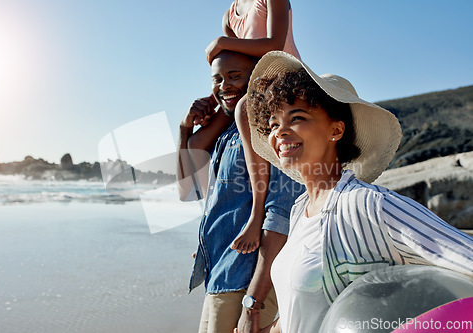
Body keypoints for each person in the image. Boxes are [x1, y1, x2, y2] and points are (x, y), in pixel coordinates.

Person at [242, 51, 473, 333]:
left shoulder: (368, 205)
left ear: (336, 130)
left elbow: (465, 256)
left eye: (297, 117)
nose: (280, 132)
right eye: (274, 123)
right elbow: (304, 311)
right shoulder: (299, 211)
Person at [176, 50, 303, 333]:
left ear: (255, 79)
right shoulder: (227, 135)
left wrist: (253, 303)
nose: (224, 86)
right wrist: (184, 130)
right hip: (220, 271)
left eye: (235, 76)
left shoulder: (271, 131)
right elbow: (186, 189)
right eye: (217, 79)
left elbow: (280, 212)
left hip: (247, 278)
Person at [206, 0, 302, 255]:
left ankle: (258, 212)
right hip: (257, 88)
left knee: (242, 109)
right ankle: (211, 238)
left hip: (286, 78)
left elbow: (274, 45)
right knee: (206, 134)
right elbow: (236, 62)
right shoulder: (230, 15)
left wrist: (222, 42)